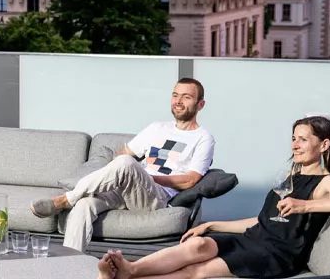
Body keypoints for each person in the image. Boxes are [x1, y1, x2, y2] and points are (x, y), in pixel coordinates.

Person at [94, 115, 330, 279]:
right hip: (254, 240)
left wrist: (303, 206)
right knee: (198, 244)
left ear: (323, 146)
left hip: (277, 256)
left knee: (196, 272)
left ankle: (127, 276)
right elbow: (263, 221)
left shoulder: (326, 182)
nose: (295, 145)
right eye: (293, 138)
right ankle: (127, 273)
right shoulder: (292, 176)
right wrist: (212, 224)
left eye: (303, 139)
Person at [29, 78, 216, 252]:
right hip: (128, 189)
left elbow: (189, 180)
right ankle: (71, 265)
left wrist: (146, 177)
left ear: (200, 104)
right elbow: (122, 155)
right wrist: (120, 176)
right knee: (84, 205)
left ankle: (65, 199)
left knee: (127, 164)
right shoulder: (157, 128)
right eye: (175, 95)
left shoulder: (203, 138)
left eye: (186, 97)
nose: (178, 101)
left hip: (156, 196)